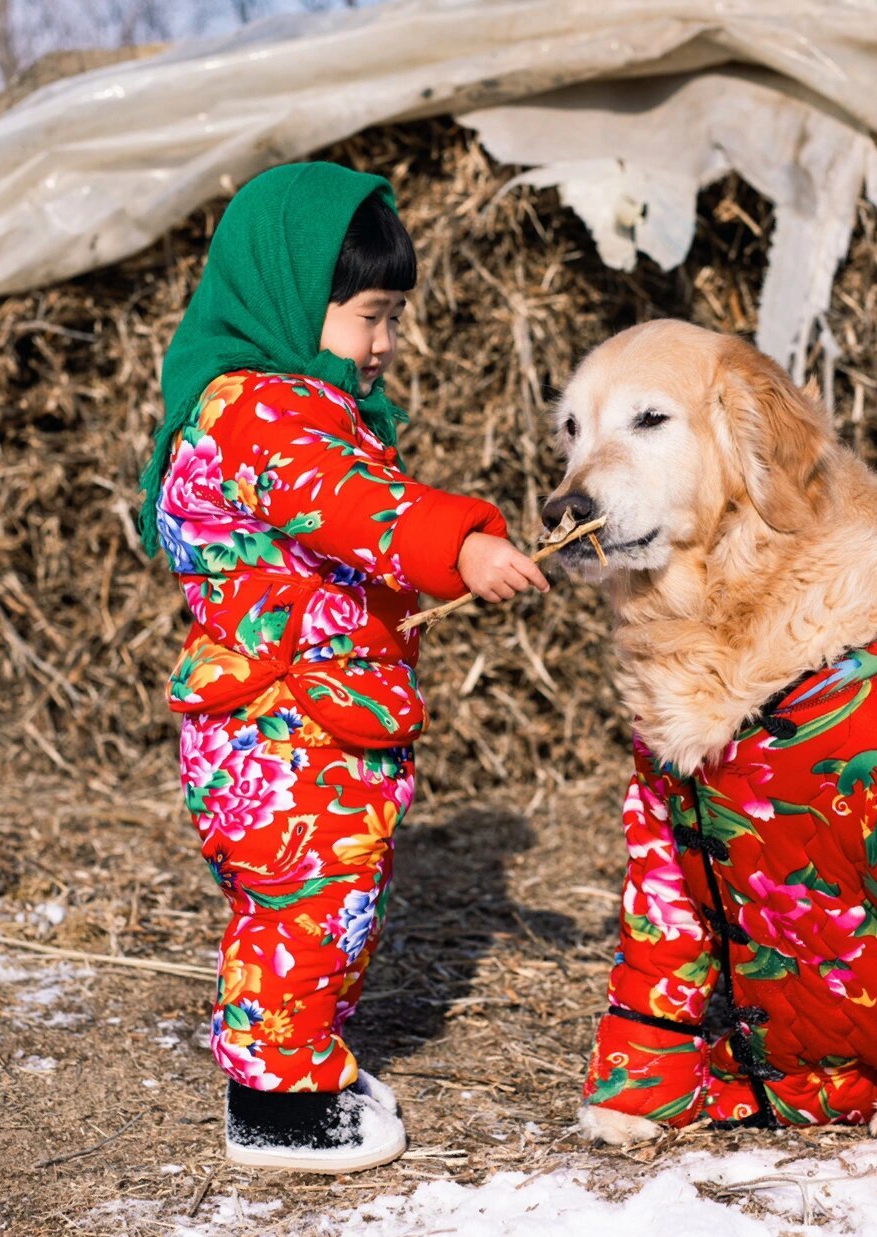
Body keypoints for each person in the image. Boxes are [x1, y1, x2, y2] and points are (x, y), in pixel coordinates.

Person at [139, 162, 546, 1172]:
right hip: (286, 727)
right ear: (288, 293)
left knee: (319, 907)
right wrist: (463, 548)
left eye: (394, 316)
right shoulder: (261, 413)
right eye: (370, 314)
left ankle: (300, 1059)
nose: (385, 342)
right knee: (306, 909)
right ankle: (278, 1106)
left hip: (304, 722)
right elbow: (357, 507)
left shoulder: (279, 404)